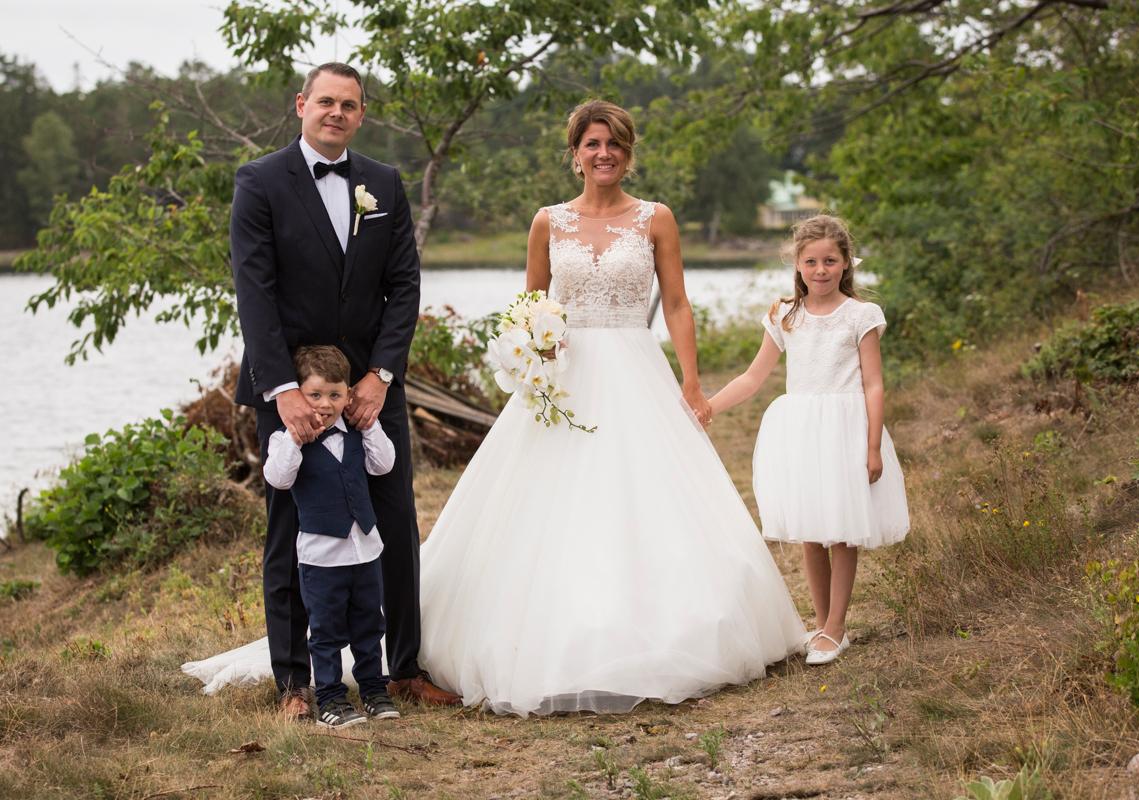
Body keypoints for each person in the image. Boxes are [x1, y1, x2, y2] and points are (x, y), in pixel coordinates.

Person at [415, 100, 808, 716]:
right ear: (575, 154)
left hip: (635, 366)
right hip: (565, 380)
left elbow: (676, 304)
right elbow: (530, 305)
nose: (605, 154)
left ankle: (665, 633)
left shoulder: (656, 219)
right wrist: (536, 352)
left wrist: (692, 382)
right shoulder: (547, 222)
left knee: (645, 495)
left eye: (616, 145)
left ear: (628, 154)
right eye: (593, 144)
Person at [186, 62, 457, 715]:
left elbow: (404, 290)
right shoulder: (258, 182)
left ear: (361, 115)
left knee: (393, 521)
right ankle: (295, 683)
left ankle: (402, 669)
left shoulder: (384, 183)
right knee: (291, 531)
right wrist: (282, 391)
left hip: (371, 387)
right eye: (326, 101)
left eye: (350, 105)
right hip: (292, 390)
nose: (337, 113)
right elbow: (256, 293)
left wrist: (380, 376)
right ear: (302, 104)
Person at [708, 215, 910, 665]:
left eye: (830, 261)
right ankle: (821, 625)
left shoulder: (860, 315)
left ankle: (836, 627)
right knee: (812, 531)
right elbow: (753, 376)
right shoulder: (785, 314)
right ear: (797, 265)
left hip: (844, 427)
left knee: (841, 531)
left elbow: (874, 384)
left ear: (845, 265)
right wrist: (709, 407)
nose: (821, 270)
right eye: (811, 261)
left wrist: (873, 445)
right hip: (800, 428)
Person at [261, 346, 400, 728]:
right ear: (299, 397)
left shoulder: (358, 433)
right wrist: (294, 436)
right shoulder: (285, 440)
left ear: (349, 397)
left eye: (335, 395)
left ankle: (373, 688)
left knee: (370, 623)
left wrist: (370, 424)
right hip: (321, 558)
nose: (325, 404)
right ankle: (330, 697)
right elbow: (278, 478)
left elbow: (384, 463)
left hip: (365, 551)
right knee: (325, 631)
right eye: (315, 395)